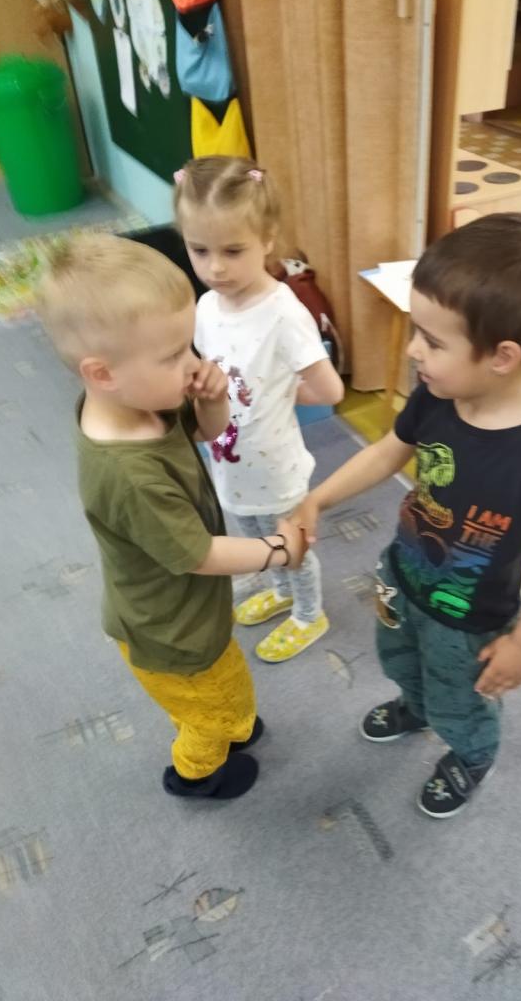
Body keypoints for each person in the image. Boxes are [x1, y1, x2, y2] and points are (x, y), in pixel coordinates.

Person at [293, 213, 521, 819]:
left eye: (433, 340)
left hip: (469, 622)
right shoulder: (439, 395)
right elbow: (387, 452)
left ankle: (471, 754)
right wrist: (318, 498)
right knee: (399, 659)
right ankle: (415, 706)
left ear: (502, 356)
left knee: (462, 699)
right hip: (404, 576)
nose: (413, 350)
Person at [37, 235, 306, 801]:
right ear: (102, 373)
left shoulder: (141, 403)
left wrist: (211, 399)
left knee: (224, 685)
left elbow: (208, 432)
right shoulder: (128, 475)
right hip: (171, 634)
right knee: (206, 715)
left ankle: (233, 720)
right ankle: (196, 773)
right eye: (173, 356)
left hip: (187, 611)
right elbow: (201, 554)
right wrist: (278, 551)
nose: (193, 364)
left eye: (190, 346)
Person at [174, 156, 344, 663]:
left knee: (291, 544)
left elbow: (330, 390)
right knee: (249, 530)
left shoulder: (283, 313)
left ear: (268, 238)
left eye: (233, 250)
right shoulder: (207, 306)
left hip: (276, 466)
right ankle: (279, 590)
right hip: (230, 457)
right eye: (199, 250)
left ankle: (309, 614)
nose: (215, 267)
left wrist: (279, 394)